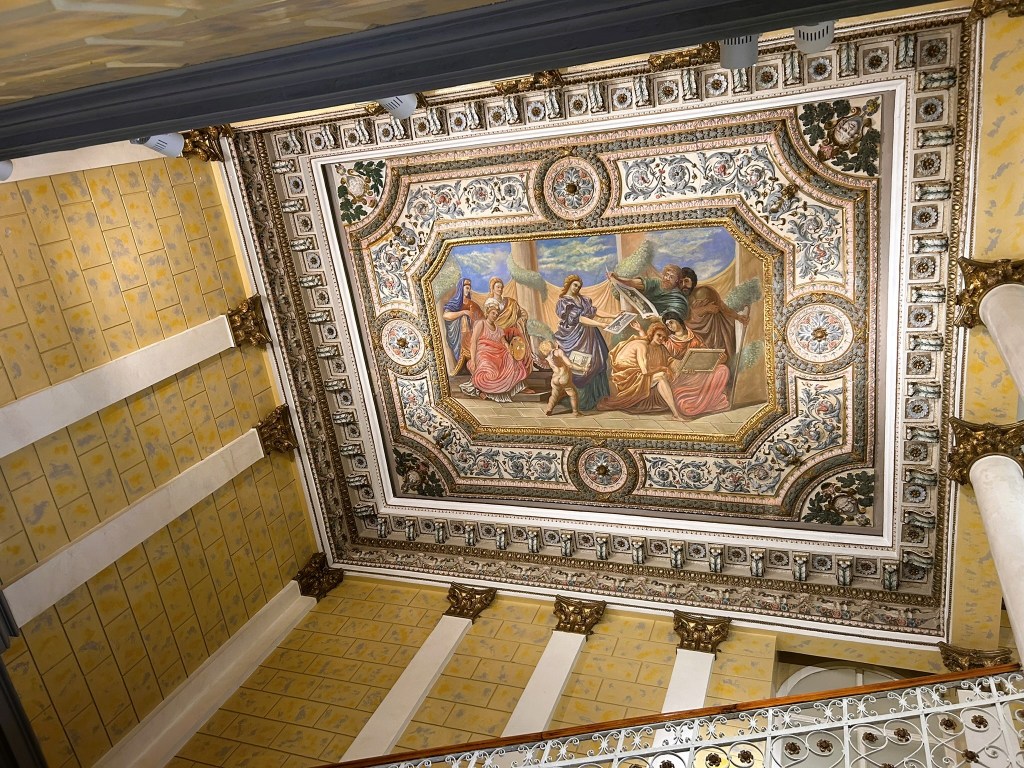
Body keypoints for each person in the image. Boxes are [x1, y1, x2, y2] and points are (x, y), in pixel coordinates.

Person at [598, 322, 686, 419]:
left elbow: (668, 359)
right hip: (630, 379)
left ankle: (679, 409)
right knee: (661, 376)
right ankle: (676, 413)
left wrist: (684, 364)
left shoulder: (657, 346)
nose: (661, 339)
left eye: (663, 338)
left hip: (638, 374)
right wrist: (663, 368)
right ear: (652, 334)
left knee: (671, 375)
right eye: (659, 335)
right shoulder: (642, 346)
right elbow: (644, 371)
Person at [553, 274, 614, 411]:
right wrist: (600, 324)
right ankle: (582, 400)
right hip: (575, 338)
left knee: (597, 361)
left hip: (590, 335)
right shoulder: (564, 303)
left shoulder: (583, 300)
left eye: (579, 286)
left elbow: (595, 311)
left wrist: (613, 315)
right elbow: (579, 319)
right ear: (568, 285)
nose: (577, 288)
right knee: (580, 365)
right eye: (575, 285)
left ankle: (597, 397)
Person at [660, 310, 731, 417]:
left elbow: (705, 355)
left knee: (722, 369)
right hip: (682, 378)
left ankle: (708, 402)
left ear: (679, 321)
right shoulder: (668, 342)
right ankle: (702, 404)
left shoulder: (694, 337)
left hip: (699, 373)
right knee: (685, 406)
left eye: (671, 322)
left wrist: (719, 359)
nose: (670, 326)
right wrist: (681, 364)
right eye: (667, 324)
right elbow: (666, 361)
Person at [460, 299, 531, 402]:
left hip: (497, 352)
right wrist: (474, 360)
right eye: (493, 313)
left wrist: (510, 350)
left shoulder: (499, 329)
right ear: (487, 313)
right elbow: (474, 342)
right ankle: (483, 390)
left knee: (511, 358)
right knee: (488, 367)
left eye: (497, 314)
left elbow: (504, 342)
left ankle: (511, 387)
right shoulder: (481, 324)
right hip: (483, 352)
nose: (495, 315)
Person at [685, 285, 748, 369]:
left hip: (716, 332)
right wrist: (706, 309)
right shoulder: (688, 300)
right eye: (701, 303)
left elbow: (722, 307)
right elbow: (688, 316)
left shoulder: (710, 293)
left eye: (706, 301)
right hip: (698, 335)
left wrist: (738, 317)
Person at [608, 263, 693, 319]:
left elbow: (675, 316)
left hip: (660, 325)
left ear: (677, 281)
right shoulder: (657, 283)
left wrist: (658, 319)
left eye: (671, 277)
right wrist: (617, 278)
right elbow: (634, 283)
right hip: (643, 316)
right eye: (666, 275)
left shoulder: (678, 299)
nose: (667, 278)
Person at [486, 278, 534, 372]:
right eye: (498, 287)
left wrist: (519, 322)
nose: (500, 289)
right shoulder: (489, 302)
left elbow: (523, 313)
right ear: (492, 288)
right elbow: (489, 320)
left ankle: (521, 368)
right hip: (497, 332)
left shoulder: (510, 302)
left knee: (520, 340)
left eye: (501, 287)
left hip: (512, 331)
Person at [442, 277, 483, 374]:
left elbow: (482, 319)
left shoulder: (473, 304)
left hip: (474, 335)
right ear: (461, 288)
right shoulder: (455, 302)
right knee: (463, 319)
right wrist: (463, 312)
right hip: (460, 336)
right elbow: (445, 315)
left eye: (469, 288)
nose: (468, 290)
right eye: (466, 287)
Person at [538, 340, 580, 416]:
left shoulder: (547, 358)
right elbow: (570, 365)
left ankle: (549, 409)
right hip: (563, 377)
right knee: (572, 393)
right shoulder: (558, 352)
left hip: (555, 379)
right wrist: (583, 368)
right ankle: (575, 412)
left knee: (554, 395)